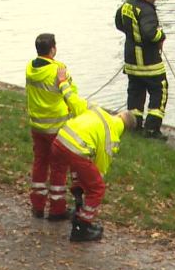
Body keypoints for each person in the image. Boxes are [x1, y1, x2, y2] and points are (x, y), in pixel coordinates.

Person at [47, 107, 136, 242]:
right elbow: (101, 168)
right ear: (125, 130)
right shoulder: (112, 135)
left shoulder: (97, 110)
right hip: (76, 150)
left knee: (62, 171)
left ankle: (57, 210)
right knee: (97, 188)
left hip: (60, 139)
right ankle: (81, 228)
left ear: (119, 114)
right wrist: (92, 182)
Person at [25, 33, 87, 219]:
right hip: (57, 127)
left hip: (37, 125)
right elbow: (72, 94)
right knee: (59, 167)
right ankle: (57, 209)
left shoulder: (30, 67)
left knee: (40, 163)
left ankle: (37, 206)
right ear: (53, 49)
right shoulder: (59, 70)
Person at [115, 0, 168, 139]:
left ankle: (135, 126)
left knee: (135, 94)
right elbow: (150, 33)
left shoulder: (127, 5)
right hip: (149, 63)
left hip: (131, 61)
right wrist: (161, 35)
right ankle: (152, 129)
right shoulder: (147, 10)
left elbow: (119, 24)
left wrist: (133, 34)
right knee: (160, 91)